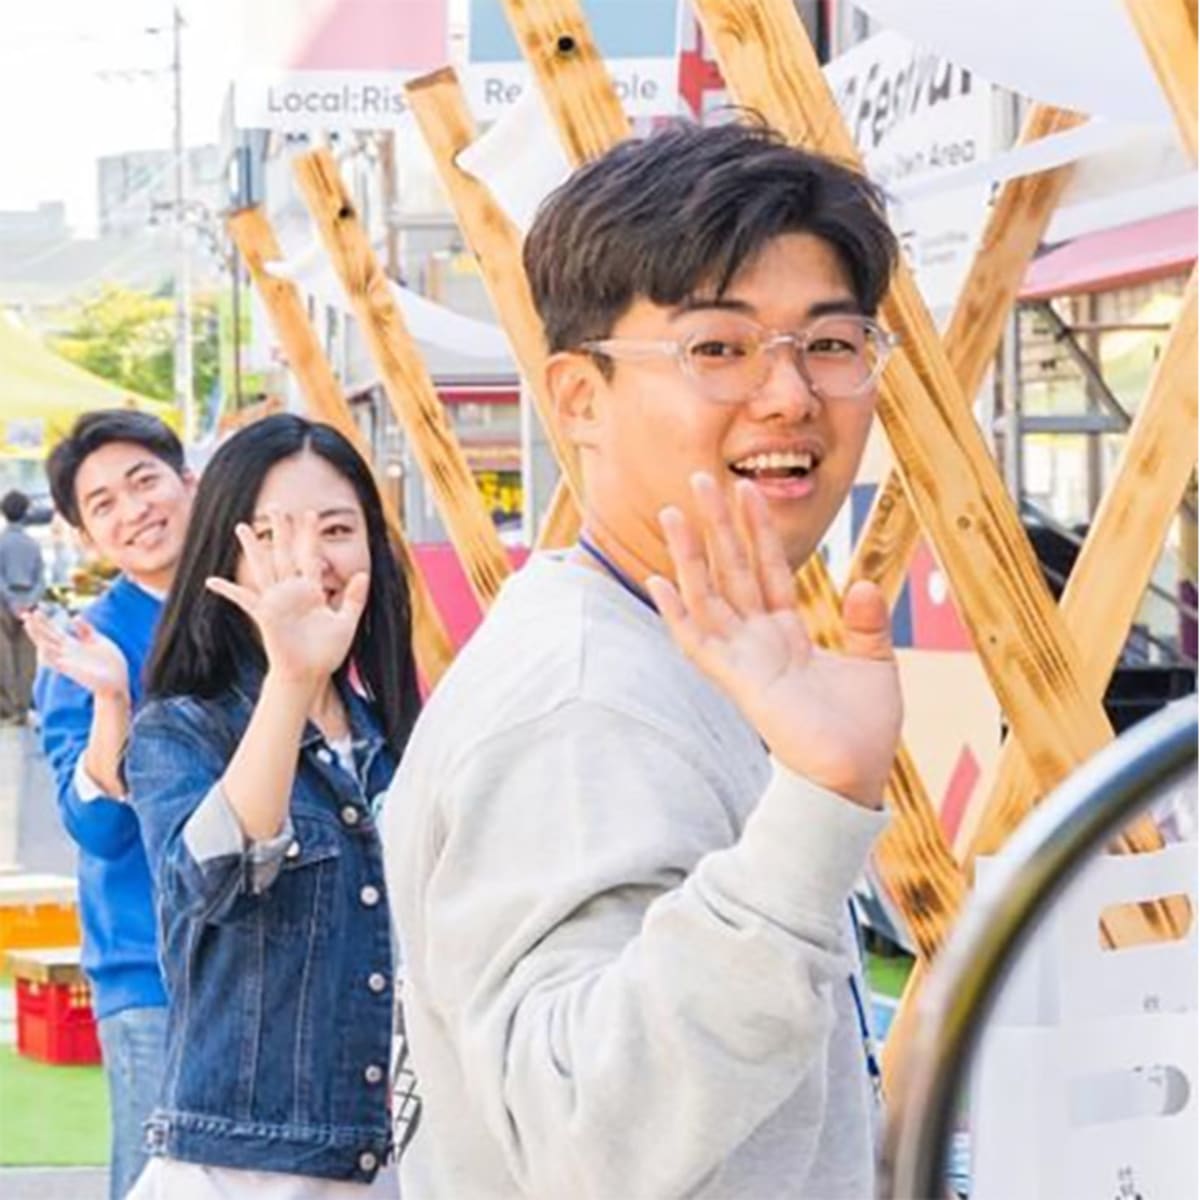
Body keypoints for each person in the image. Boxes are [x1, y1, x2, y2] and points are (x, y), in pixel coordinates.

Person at [383, 120, 905, 1199]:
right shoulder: (583, 701)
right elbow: (587, 1136)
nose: (790, 395)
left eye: (832, 342)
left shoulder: (666, 645)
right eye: (718, 347)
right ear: (579, 398)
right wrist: (822, 803)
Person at [124, 414, 420, 1197]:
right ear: (226, 553)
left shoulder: (396, 739)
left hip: (391, 1165)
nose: (309, 560)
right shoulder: (180, 730)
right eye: (272, 532)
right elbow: (213, 881)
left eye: (337, 528)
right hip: (238, 1172)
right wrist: (292, 678)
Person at [24, 411, 193, 1200]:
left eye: (144, 481)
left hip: (275, 962)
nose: (133, 511)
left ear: (188, 483)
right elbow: (90, 823)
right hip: (153, 972)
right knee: (163, 1181)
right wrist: (113, 704)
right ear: (89, 536)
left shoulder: (253, 608)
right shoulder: (87, 646)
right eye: (103, 504)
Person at [0, 489, 45, 723]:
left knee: (4, 658)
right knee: (28, 658)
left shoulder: (1, 542)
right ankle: (24, 709)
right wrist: (29, 602)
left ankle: (8, 709)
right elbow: (41, 578)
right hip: (29, 603)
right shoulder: (33, 544)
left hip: (4, 604)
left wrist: (11, 601)